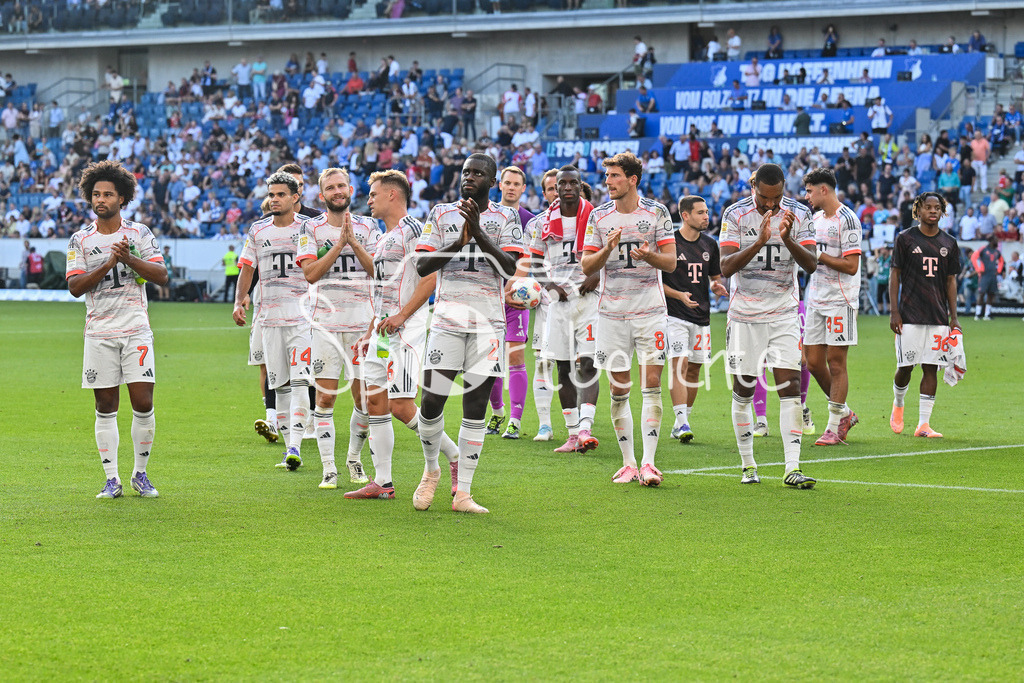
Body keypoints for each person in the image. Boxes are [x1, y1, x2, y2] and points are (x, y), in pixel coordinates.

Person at [413, 153, 524, 514]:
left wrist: (478, 234)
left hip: (488, 324)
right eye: (465, 172)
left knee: (475, 406)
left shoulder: (506, 217)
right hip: (446, 319)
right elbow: (422, 265)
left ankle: (463, 492)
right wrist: (458, 243)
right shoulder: (442, 214)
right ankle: (431, 471)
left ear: (492, 182)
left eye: (477, 173)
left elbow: (510, 268)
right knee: (431, 402)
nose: (469, 178)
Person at [66, 160, 169, 499]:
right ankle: (112, 479)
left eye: (108, 194)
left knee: (143, 401)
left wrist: (128, 260)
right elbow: (76, 287)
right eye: (96, 194)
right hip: (99, 332)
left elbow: (160, 275)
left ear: (122, 198)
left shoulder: (139, 234)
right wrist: (109, 263)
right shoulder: (80, 239)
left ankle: (141, 474)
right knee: (105, 405)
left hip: (136, 328)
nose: (101, 199)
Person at [360, 169, 462, 500]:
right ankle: (384, 482)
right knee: (375, 401)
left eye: (374, 194)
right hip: (382, 330)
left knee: (401, 404)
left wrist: (403, 315)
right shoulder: (383, 237)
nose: (369, 199)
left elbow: (430, 276)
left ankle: (455, 455)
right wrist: (370, 327)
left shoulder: (413, 230)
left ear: (392, 194)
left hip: (406, 330)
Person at [720, 163, 818, 488]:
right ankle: (748, 465)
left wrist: (787, 239)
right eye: (764, 198)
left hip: (783, 313)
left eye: (776, 198)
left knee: (789, 386)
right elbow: (725, 267)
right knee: (744, 388)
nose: (770, 205)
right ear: (754, 188)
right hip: (745, 316)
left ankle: (792, 467)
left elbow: (811, 264)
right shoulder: (735, 214)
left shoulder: (800, 213)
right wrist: (760, 242)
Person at [581, 151, 676, 487]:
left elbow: (671, 263)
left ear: (632, 179)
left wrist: (649, 254)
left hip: (650, 312)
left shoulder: (656, 213)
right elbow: (586, 267)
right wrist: (606, 251)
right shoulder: (599, 215)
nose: (608, 182)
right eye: (607, 176)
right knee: (618, 390)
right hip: (611, 315)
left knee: (651, 388)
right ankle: (627, 463)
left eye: (615, 176)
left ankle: (649, 464)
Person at [295, 168, 380, 490]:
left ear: (350, 188)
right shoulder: (309, 228)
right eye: (330, 188)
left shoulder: (369, 226)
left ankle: (354, 460)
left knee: (363, 401)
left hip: (362, 324)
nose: (337, 191)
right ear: (322, 195)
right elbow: (311, 274)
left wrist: (353, 243)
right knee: (326, 399)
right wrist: (339, 244)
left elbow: (377, 269)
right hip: (326, 325)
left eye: (341, 185)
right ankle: (329, 468)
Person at [233, 172, 313, 472]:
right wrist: (240, 300)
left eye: (281, 194)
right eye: (272, 194)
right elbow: (247, 269)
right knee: (278, 385)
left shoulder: (309, 229)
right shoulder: (257, 231)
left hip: (302, 318)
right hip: (268, 318)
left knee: (301, 380)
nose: (274, 199)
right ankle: (289, 446)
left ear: (295, 197)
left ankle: (295, 446)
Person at [528, 165, 601, 453]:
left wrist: (595, 277)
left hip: (589, 301)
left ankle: (585, 427)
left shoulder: (596, 217)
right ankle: (572, 435)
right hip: (558, 304)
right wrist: (551, 287)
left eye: (573, 183)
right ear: (555, 188)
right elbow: (534, 262)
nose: (568, 187)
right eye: (563, 184)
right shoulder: (542, 223)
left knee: (588, 363)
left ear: (581, 185)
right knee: (562, 367)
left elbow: (609, 252)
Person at [889, 193, 961, 438]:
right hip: (909, 315)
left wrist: (954, 317)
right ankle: (898, 404)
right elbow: (894, 275)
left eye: (937, 207)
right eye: (928, 207)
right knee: (906, 367)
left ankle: (923, 424)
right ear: (917, 210)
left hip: (938, 317)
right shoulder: (905, 239)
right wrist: (894, 311)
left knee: (931, 368)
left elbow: (951, 281)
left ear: (943, 212)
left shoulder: (949, 243)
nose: (933, 211)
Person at [802, 168, 863, 446]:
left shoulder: (848, 219)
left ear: (823, 190)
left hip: (841, 300)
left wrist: (820, 255)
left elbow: (851, 266)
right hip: (815, 298)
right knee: (813, 362)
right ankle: (846, 412)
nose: (807, 196)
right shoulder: (814, 219)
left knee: (836, 362)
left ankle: (833, 426)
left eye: (810, 191)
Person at [662, 195, 727, 444]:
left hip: (702, 317)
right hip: (674, 316)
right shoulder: (669, 244)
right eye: (700, 212)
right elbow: (657, 283)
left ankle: (680, 423)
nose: (706, 216)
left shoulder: (710, 244)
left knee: (695, 368)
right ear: (685, 215)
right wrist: (678, 295)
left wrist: (717, 286)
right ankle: (682, 422)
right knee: (678, 365)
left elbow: (714, 278)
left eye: (707, 211)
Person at [485, 167, 535, 440]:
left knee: (515, 356)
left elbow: (528, 257)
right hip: (488, 295)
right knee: (490, 359)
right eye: (508, 183)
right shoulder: (489, 216)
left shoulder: (529, 220)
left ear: (523, 188)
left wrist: (512, 285)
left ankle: (515, 420)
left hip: (515, 296)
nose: (512, 187)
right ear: (499, 185)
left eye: (517, 183)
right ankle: (498, 411)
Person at [528, 170, 559, 442]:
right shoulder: (536, 226)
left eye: (559, 186)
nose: (556, 192)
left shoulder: (588, 220)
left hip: (580, 304)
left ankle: (582, 424)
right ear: (545, 193)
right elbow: (527, 265)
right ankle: (545, 425)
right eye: (550, 189)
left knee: (581, 366)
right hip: (547, 307)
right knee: (543, 364)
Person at [970, 236, 1004, 321]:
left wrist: (999, 270)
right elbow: (974, 257)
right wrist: (978, 269)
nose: (997, 241)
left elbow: (1001, 261)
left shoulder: (997, 251)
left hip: (993, 275)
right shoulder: (983, 249)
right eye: (996, 240)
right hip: (984, 275)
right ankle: (977, 314)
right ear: (991, 241)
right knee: (981, 293)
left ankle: (987, 314)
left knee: (991, 294)